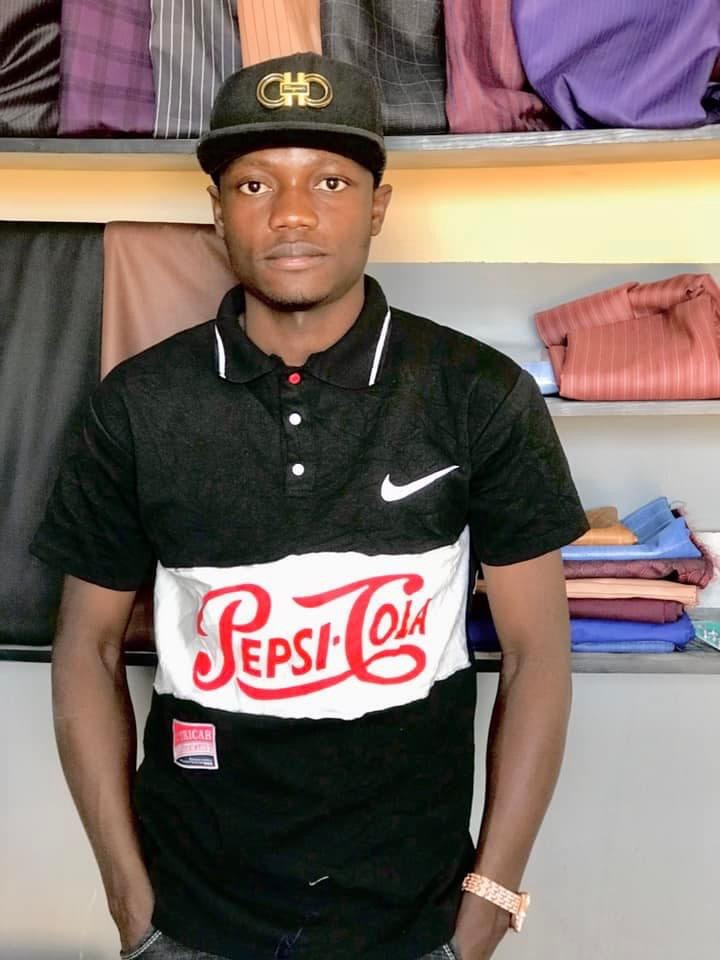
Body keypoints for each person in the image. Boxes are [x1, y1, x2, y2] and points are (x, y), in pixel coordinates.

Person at [31, 52, 588, 960]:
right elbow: (86, 648)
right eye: (255, 184)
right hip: (190, 919)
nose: (292, 214)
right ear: (218, 210)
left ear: (378, 206)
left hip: (417, 924)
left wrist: (488, 902)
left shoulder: (477, 393)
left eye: (330, 181)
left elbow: (537, 656)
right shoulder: (137, 404)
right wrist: (132, 905)